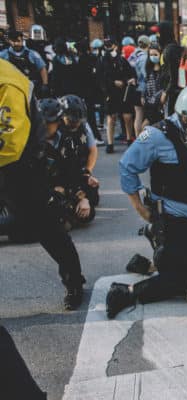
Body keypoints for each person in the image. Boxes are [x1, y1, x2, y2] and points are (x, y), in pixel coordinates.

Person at [105, 83, 187, 319]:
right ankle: (126, 292)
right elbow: (127, 166)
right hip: (177, 221)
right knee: (183, 278)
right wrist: (140, 207)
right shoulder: (158, 135)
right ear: (185, 119)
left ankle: (152, 262)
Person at [0, 59, 85, 310]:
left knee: (46, 228)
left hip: (20, 165)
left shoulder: (6, 81)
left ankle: (73, 281)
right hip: (15, 160)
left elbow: (9, 142)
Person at [46, 95, 100, 228]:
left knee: (90, 205)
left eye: (77, 121)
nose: (75, 124)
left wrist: (87, 174)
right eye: (70, 121)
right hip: (51, 180)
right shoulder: (54, 135)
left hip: (70, 173)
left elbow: (92, 150)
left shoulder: (81, 128)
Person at [99, 37, 136, 153]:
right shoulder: (101, 60)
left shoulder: (122, 60)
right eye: (107, 45)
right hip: (110, 92)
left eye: (111, 45)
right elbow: (100, 78)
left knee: (127, 116)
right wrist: (113, 83)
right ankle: (110, 143)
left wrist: (126, 81)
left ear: (116, 46)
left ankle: (129, 138)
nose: (109, 48)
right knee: (111, 118)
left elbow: (130, 74)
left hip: (123, 92)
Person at [0, 30, 49, 98]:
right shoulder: (3, 55)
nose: (16, 43)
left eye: (18, 41)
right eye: (13, 41)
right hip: (12, 89)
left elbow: (42, 68)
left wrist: (45, 84)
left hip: (31, 88)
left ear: (22, 40)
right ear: (9, 41)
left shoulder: (32, 54)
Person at [76, 38, 104, 145]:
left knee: (89, 116)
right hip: (95, 89)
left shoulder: (81, 60)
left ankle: (96, 137)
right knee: (92, 115)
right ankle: (97, 136)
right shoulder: (94, 58)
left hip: (86, 90)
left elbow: (80, 78)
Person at [158, 21, 183, 115]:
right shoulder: (171, 48)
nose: (157, 36)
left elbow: (173, 75)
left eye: (158, 33)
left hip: (171, 94)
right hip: (172, 92)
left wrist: (166, 93)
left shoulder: (169, 50)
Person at [130, 35, 151, 137]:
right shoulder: (144, 57)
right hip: (143, 88)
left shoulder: (133, 55)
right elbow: (145, 74)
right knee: (147, 115)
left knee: (138, 114)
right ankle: (140, 137)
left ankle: (137, 137)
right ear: (148, 44)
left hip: (135, 87)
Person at [141, 44, 165, 127]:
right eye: (151, 55)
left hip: (158, 104)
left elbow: (164, 87)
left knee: (146, 126)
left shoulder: (164, 69)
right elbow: (145, 83)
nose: (153, 57)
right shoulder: (148, 68)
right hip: (149, 103)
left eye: (155, 55)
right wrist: (143, 95)